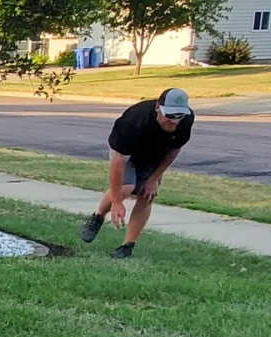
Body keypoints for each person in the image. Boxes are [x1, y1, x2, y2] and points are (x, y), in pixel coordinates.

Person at [80, 88, 194, 258]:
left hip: (155, 154)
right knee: (126, 186)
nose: (174, 121)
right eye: (169, 115)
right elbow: (118, 164)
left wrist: (153, 179)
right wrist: (117, 202)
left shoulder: (186, 121)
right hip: (126, 153)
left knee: (147, 195)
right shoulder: (134, 122)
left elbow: (173, 151)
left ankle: (127, 247)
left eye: (179, 116)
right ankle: (98, 217)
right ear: (158, 108)